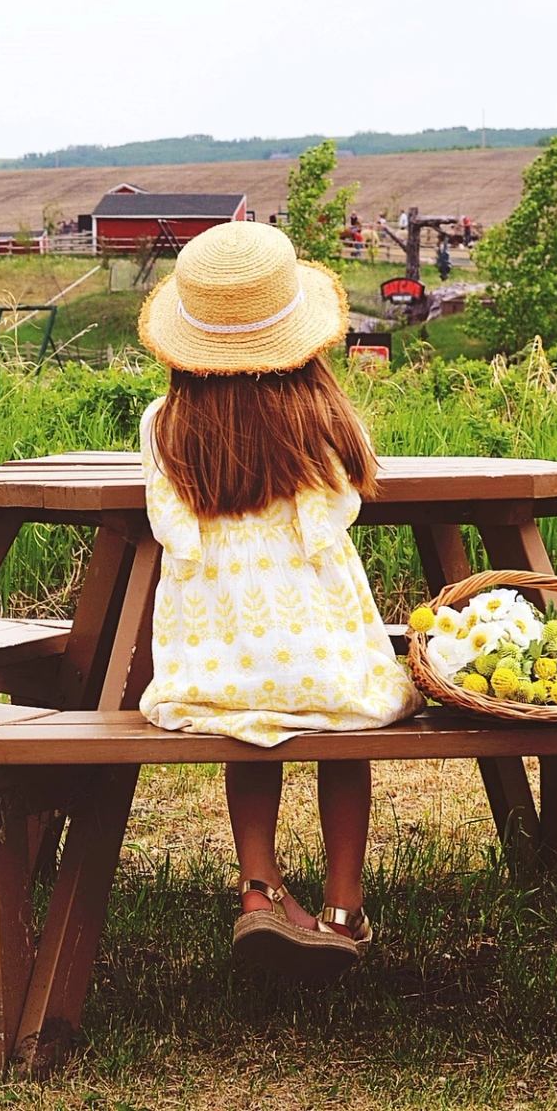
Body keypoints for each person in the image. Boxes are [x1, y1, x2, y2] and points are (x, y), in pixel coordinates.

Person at [134, 221, 420, 981]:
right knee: (343, 734)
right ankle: (343, 909)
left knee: (252, 733)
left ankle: (258, 891)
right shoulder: (324, 421)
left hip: (216, 665)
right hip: (322, 659)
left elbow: (169, 528)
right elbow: (342, 513)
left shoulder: (163, 426)